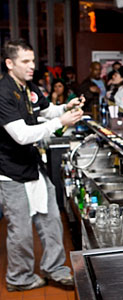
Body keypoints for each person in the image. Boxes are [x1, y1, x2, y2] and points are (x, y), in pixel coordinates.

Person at [0, 39, 84, 292]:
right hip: (10, 172)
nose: (32, 66)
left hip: (34, 167)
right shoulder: (3, 92)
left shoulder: (28, 87)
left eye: (33, 60)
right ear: (9, 63)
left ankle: (55, 268)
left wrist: (64, 108)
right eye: (25, 61)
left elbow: (45, 111)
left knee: (51, 221)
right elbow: (22, 135)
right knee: (21, 231)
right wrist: (60, 120)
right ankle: (19, 278)